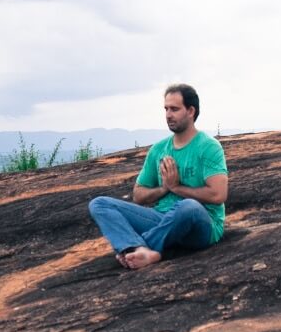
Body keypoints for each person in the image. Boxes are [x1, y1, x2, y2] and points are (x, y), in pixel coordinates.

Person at [88, 83, 228, 269]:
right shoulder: (158, 150)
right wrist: (164, 188)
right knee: (100, 204)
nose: (168, 115)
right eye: (166, 109)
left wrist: (177, 188)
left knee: (189, 207)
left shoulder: (208, 147)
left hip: (200, 226)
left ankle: (134, 248)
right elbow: (138, 195)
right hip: (161, 219)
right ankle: (141, 250)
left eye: (175, 109)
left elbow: (218, 195)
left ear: (191, 111)